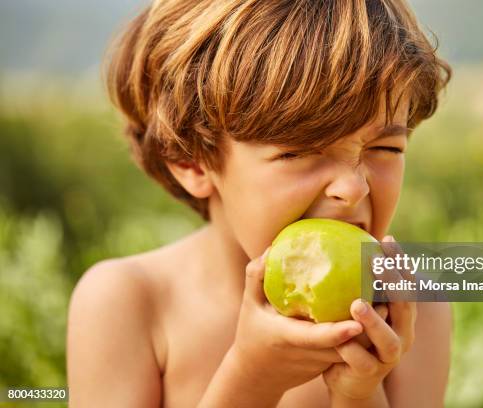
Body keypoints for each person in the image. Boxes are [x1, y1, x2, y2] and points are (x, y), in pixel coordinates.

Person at [67, 0, 452, 406]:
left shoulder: (416, 308)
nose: (352, 187)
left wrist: (359, 392)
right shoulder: (128, 303)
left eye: (386, 147)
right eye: (298, 152)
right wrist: (252, 377)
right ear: (191, 161)